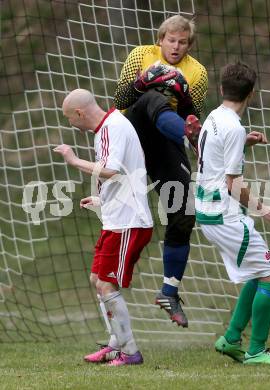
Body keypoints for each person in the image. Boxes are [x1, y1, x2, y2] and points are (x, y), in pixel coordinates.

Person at [195, 62, 270, 365]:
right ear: (251, 93)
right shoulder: (233, 128)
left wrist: (243, 143)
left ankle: (231, 339)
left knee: (256, 272)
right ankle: (257, 351)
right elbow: (233, 184)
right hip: (223, 215)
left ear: (222, 89)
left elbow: (215, 155)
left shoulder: (213, 117)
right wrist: (264, 210)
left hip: (205, 210)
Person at [114, 15, 208, 328]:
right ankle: (193, 138)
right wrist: (144, 82)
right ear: (161, 39)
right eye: (171, 40)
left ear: (189, 45)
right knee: (153, 95)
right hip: (132, 133)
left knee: (184, 213)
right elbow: (121, 101)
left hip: (167, 138)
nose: (176, 47)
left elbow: (192, 113)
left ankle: (169, 291)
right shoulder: (141, 55)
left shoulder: (197, 72)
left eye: (182, 42)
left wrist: (182, 97)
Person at [54, 89, 153, 366]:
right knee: (96, 279)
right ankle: (114, 345)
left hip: (128, 221)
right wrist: (102, 198)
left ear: (79, 114)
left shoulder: (111, 127)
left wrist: (74, 161)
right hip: (117, 216)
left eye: (68, 118)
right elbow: (127, 170)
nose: (70, 124)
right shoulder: (109, 128)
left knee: (106, 284)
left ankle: (130, 351)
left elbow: (112, 170)